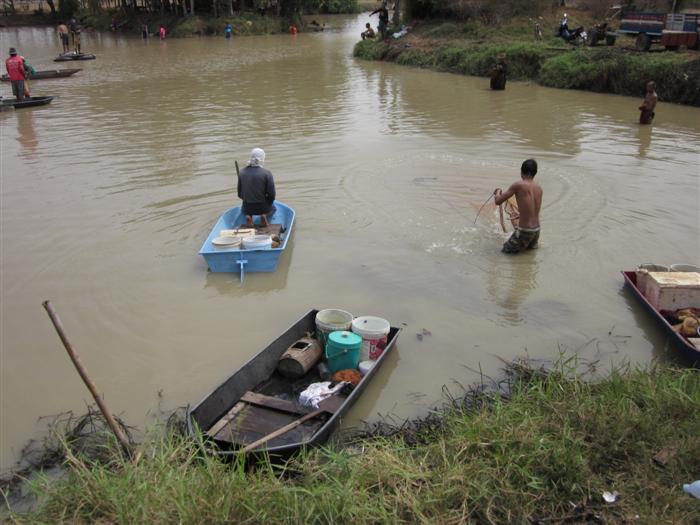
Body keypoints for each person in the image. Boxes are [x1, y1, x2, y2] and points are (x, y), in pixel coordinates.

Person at [494, 159, 542, 254]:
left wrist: (497, 192)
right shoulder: (539, 188)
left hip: (525, 231)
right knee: (528, 257)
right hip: (536, 231)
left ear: (522, 171)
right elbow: (533, 211)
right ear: (534, 172)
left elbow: (498, 201)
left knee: (504, 254)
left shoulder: (519, 185)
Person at [238, 148, 276, 227]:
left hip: (247, 208)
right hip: (263, 208)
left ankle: (249, 217)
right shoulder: (267, 173)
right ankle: (263, 216)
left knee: (244, 209)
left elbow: (240, 194)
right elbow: (272, 195)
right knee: (274, 209)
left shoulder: (242, 172)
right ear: (262, 159)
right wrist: (268, 203)